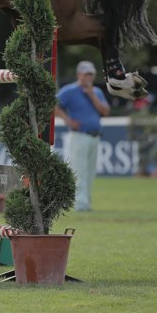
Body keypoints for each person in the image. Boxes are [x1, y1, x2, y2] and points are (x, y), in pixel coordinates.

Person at [54, 60, 111, 211]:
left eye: (91, 74)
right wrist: (68, 120)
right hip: (79, 136)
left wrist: (92, 95)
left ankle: (85, 202)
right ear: (79, 74)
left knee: (90, 172)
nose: (88, 77)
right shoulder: (69, 90)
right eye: (86, 74)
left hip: (94, 136)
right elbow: (53, 104)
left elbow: (105, 111)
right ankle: (80, 205)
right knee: (78, 171)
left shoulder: (96, 92)